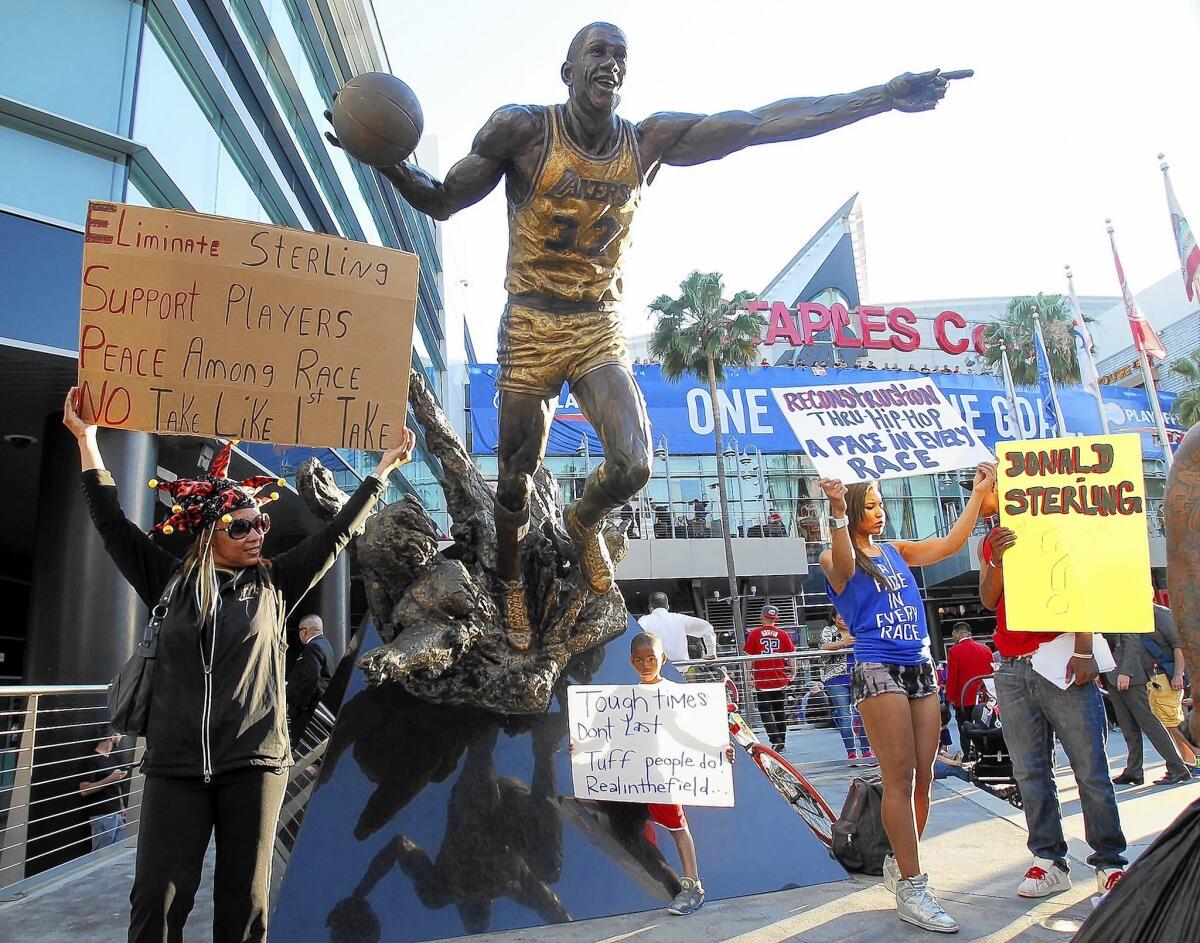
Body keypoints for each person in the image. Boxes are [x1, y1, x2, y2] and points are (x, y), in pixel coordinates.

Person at [326, 22, 968, 644]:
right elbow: (441, 199)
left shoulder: (647, 140)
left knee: (634, 464)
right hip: (530, 320)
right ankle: (512, 580)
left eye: (621, 56)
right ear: (568, 70)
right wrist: (384, 159)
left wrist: (883, 96)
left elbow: (762, 123)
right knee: (516, 474)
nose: (611, 64)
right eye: (598, 52)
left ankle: (581, 523)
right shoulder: (522, 129)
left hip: (597, 323)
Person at [63, 387, 416, 943]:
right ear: (208, 533)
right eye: (241, 527)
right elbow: (111, 523)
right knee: (155, 904)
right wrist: (88, 441)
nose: (255, 535)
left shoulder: (275, 583)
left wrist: (381, 471)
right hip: (174, 767)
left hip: (254, 764)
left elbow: (337, 533)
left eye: (260, 525)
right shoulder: (170, 582)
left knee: (245, 908)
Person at [819, 463, 995, 934]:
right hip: (877, 666)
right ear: (854, 509)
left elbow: (952, 545)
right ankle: (913, 886)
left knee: (924, 779)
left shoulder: (897, 551)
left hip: (919, 664)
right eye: (870, 505)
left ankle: (901, 863)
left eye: (881, 504)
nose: (880, 512)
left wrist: (978, 495)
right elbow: (839, 567)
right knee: (897, 778)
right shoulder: (839, 556)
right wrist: (836, 511)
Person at [979, 511, 1128, 903]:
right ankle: (1048, 859)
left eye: (986, 484)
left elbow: (1084, 583)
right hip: (1013, 665)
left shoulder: (1056, 524)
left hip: (1060, 656)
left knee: (1091, 767)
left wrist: (1083, 647)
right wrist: (995, 558)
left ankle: (1110, 863)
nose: (978, 493)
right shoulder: (994, 536)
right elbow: (988, 597)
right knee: (1029, 771)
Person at [626, 631, 734, 916]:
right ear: (631, 662)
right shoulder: (625, 699)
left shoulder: (676, 693)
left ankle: (693, 887)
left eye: (651, 659)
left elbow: (686, 732)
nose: (645, 665)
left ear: (662, 659)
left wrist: (716, 749)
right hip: (633, 777)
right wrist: (583, 748)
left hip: (664, 776)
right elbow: (612, 737)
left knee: (677, 827)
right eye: (639, 660)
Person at [1106, 604, 1195, 786]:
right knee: (1128, 727)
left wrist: (1127, 672)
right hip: (1113, 674)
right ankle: (1134, 770)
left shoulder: (1153, 613)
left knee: (1153, 723)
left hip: (1133, 675)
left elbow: (1132, 640)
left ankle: (1178, 767)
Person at [819, 612, 873, 765]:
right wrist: (844, 642)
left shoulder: (858, 629)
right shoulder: (829, 631)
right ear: (834, 619)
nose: (843, 621)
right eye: (839, 618)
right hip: (836, 679)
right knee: (844, 716)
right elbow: (823, 646)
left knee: (863, 714)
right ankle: (851, 753)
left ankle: (867, 750)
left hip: (859, 676)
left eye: (845, 617)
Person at [742, 605, 798, 752]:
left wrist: (749, 673)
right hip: (779, 678)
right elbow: (792, 655)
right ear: (775, 618)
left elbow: (749, 657)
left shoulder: (754, 634)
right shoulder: (783, 634)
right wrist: (793, 672)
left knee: (765, 710)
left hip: (762, 679)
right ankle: (782, 740)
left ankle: (775, 739)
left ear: (762, 616)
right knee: (779, 709)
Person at [286, 614, 336, 747]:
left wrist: (299, 705)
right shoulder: (326, 645)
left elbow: (310, 678)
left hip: (308, 712)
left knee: (302, 751)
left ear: (304, 631)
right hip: (321, 708)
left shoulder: (312, 647)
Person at [944, 623, 995, 752]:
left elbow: (953, 677)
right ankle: (986, 752)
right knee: (985, 725)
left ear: (958, 634)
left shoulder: (954, 651)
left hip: (963, 697)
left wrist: (950, 697)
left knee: (964, 727)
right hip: (983, 697)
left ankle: (967, 753)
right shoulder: (986, 649)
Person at [79, 727, 128, 851]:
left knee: (117, 857)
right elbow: (84, 789)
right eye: (119, 734)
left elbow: (116, 785)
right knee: (102, 855)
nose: (121, 737)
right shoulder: (91, 759)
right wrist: (110, 779)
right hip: (102, 815)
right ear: (111, 736)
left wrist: (122, 807)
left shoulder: (112, 758)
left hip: (116, 814)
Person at [637, 592, 717, 666]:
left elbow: (634, 640)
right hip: (681, 668)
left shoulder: (644, 621)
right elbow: (707, 627)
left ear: (650, 608)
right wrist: (711, 653)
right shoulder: (679, 618)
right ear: (667, 607)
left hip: (656, 670)